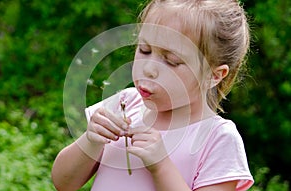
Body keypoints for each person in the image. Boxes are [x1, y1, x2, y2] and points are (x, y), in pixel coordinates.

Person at [51, 0, 254, 190]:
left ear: (213, 75)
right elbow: (63, 183)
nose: (148, 68)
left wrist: (161, 166)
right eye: (144, 50)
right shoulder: (124, 103)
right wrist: (91, 140)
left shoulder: (217, 138)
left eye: (172, 60)